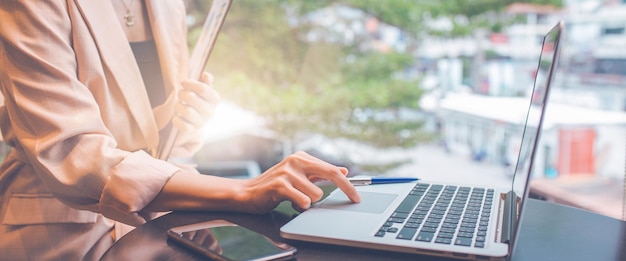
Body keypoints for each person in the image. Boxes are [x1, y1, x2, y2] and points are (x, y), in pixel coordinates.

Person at [0, 1, 361, 260]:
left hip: (163, 226)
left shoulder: (169, 5)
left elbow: (159, 136)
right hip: (59, 232)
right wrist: (241, 191)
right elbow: (74, 151)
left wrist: (181, 117)